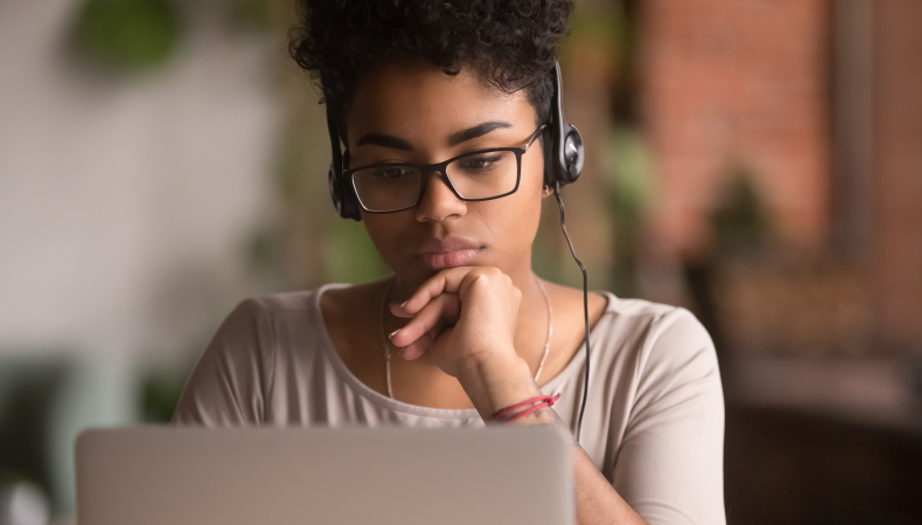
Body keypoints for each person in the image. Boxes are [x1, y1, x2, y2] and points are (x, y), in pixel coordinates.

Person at [172, 1, 726, 523]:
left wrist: (499, 379)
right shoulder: (262, 355)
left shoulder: (654, 358)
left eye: (483, 160)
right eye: (390, 171)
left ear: (556, 158)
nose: (438, 208)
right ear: (346, 186)